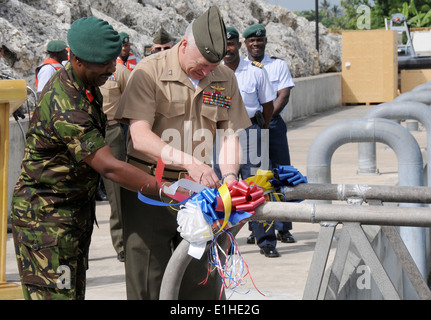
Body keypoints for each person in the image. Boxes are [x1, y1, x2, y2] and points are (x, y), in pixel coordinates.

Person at [10, 17, 178, 300]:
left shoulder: (84, 87)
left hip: (70, 218)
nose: (112, 68)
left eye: (113, 60)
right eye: (102, 63)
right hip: (46, 226)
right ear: (75, 58)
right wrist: (166, 188)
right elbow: (109, 167)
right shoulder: (67, 104)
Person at [114, 6, 251, 300]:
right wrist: (191, 162)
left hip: (200, 193)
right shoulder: (149, 71)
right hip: (151, 189)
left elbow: (229, 135)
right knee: (148, 279)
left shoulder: (224, 77)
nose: (206, 73)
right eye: (201, 66)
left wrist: (228, 177)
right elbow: (140, 137)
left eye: (211, 69)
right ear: (184, 44)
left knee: (203, 281)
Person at [243, 24, 296, 254]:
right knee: (255, 177)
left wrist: (267, 118)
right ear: (246, 44)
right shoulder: (241, 68)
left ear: (265, 41)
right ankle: (258, 228)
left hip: (272, 123)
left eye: (260, 40)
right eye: (252, 41)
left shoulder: (278, 65)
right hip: (250, 126)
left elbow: (283, 96)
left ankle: (284, 225)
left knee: (279, 172)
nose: (256, 44)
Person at [99, 63, 131, 262]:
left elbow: (133, 99)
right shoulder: (80, 67)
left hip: (111, 131)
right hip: (83, 130)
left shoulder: (119, 71)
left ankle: (121, 244)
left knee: (116, 191)